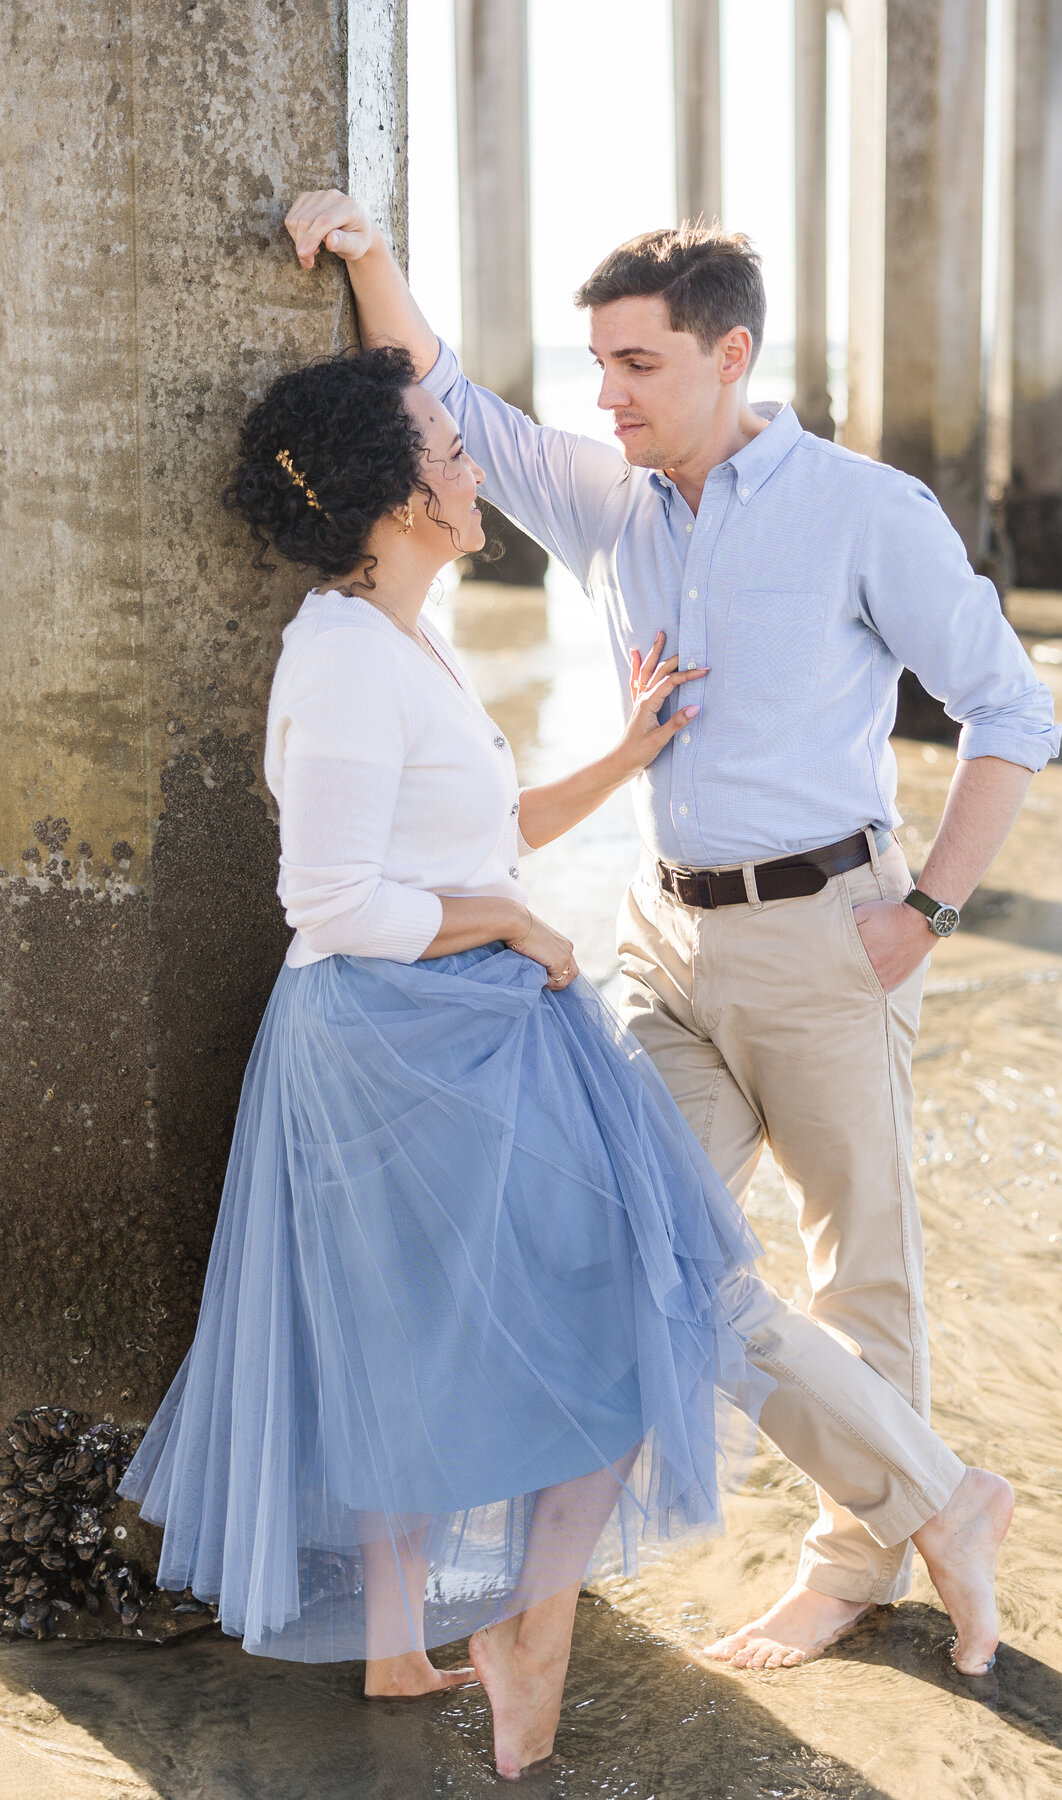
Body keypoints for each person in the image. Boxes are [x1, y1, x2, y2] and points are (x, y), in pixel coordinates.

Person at [121, 338, 1013, 1779]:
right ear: (406, 497)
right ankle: (887, 1515)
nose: (478, 466)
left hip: (455, 1028)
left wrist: (626, 754)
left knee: (466, 1321)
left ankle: (410, 1648)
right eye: (451, 451)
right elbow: (337, 901)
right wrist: (517, 930)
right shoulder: (344, 657)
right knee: (648, 1280)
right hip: (411, 1040)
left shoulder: (401, 637)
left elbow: (473, 828)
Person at [282, 190, 1057, 1672]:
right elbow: (451, 404)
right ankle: (941, 1503)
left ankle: (857, 1566)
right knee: (639, 1256)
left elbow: (1010, 712)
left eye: (635, 363)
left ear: (729, 355)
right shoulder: (607, 499)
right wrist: (371, 260)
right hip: (660, 944)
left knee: (858, 1272)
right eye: (599, 362)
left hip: (834, 930)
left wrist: (930, 912)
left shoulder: (866, 511)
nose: (606, 393)